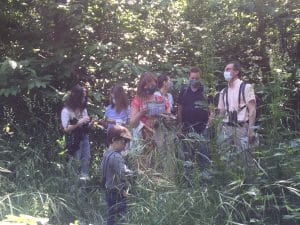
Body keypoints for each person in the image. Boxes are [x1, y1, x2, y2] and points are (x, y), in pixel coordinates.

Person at [217, 61, 257, 182]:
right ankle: (230, 183)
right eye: (225, 69)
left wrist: (251, 129)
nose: (226, 72)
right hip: (226, 127)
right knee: (225, 157)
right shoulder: (223, 91)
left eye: (228, 69)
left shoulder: (246, 87)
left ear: (236, 72)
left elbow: (252, 109)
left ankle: (250, 185)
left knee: (246, 157)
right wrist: (218, 129)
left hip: (242, 127)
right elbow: (221, 112)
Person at [177, 67, 210, 167]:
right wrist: (179, 125)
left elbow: (211, 111)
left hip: (202, 129)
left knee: (203, 156)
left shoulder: (205, 91)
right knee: (187, 155)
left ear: (200, 78)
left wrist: (208, 127)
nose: (194, 80)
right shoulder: (184, 91)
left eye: (197, 78)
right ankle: (188, 178)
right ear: (189, 77)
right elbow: (179, 108)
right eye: (192, 78)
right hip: (186, 128)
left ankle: (204, 178)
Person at [100, 125, 132, 225]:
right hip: (118, 191)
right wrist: (133, 173)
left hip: (108, 189)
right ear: (114, 140)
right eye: (124, 142)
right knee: (121, 216)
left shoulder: (106, 154)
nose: (125, 145)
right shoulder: (116, 156)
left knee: (111, 215)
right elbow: (123, 174)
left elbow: (102, 172)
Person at [61, 84, 91, 180]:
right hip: (73, 139)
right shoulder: (66, 111)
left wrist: (91, 124)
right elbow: (66, 128)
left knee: (86, 158)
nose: (84, 99)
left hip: (84, 137)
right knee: (75, 159)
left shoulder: (83, 110)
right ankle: (73, 183)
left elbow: (85, 126)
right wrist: (80, 122)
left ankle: (84, 180)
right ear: (76, 97)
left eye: (85, 97)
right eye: (82, 96)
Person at [130, 72, 170, 139]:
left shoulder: (161, 100)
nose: (152, 85)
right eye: (149, 83)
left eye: (154, 82)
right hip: (141, 138)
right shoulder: (137, 100)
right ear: (143, 85)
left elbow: (169, 119)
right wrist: (141, 113)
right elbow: (132, 123)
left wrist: (162, 116)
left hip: (157, 137)